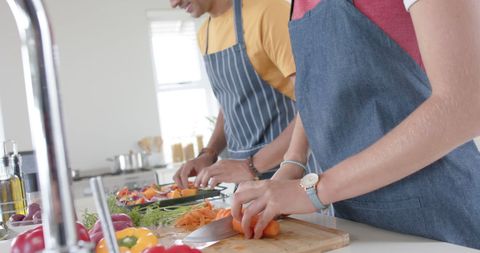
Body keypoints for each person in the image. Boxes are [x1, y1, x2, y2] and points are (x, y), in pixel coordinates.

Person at [232, 0, 480, 249]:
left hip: (440, 219)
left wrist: (313, 190)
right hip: (355, 219)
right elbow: (317, 87)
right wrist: (293, 162)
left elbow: (465, 105)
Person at [169, 0, 299, 189]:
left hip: (291, 176)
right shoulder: (203, 34)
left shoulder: (269, 11)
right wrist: (209, 153)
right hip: (245, 180)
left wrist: (251, 166)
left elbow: (316, 103)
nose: (174, 3)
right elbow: (230, 103)